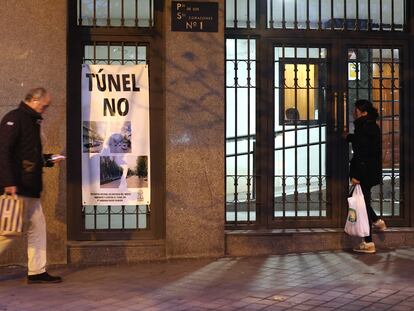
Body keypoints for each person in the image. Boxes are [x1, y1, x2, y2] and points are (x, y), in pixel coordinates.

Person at [0, 88, 64, 283]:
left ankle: (37, 271)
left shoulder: (32, 121)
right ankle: (37, 271)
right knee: (7, 232)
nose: (45, 109)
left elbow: (28, 156)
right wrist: (8, 182)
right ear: (34, 101)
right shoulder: (15, 119)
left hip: (29, 185)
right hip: (18, 186)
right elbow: (3, 152)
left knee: (37, 227)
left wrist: (48, 160)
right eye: (45, 105)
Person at [345, 99, 387, 254]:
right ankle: (377, 222)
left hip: (364, 172)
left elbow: (362, 153)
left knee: (361, 205)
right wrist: (349, 137)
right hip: (369, 171)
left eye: (356, 110)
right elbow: (362, 144)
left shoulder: (365, 127)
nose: (353, 112)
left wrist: (356, 175)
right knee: (362, 202)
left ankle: (369, 242)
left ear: (364, 112)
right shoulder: (369, 126)